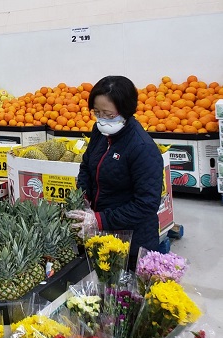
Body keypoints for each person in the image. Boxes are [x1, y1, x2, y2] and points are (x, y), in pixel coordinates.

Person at [69, 75, 164, 270]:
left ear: (126, 111)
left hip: (133, 241)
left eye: (109, 115)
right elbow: (87, 165)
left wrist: (99, 219)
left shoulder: (142, 147)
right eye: (97, 113)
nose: (102, 120)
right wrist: (84, 196)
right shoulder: (100, 132)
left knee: (124, 295)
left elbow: (146, 204)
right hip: (102, 234)